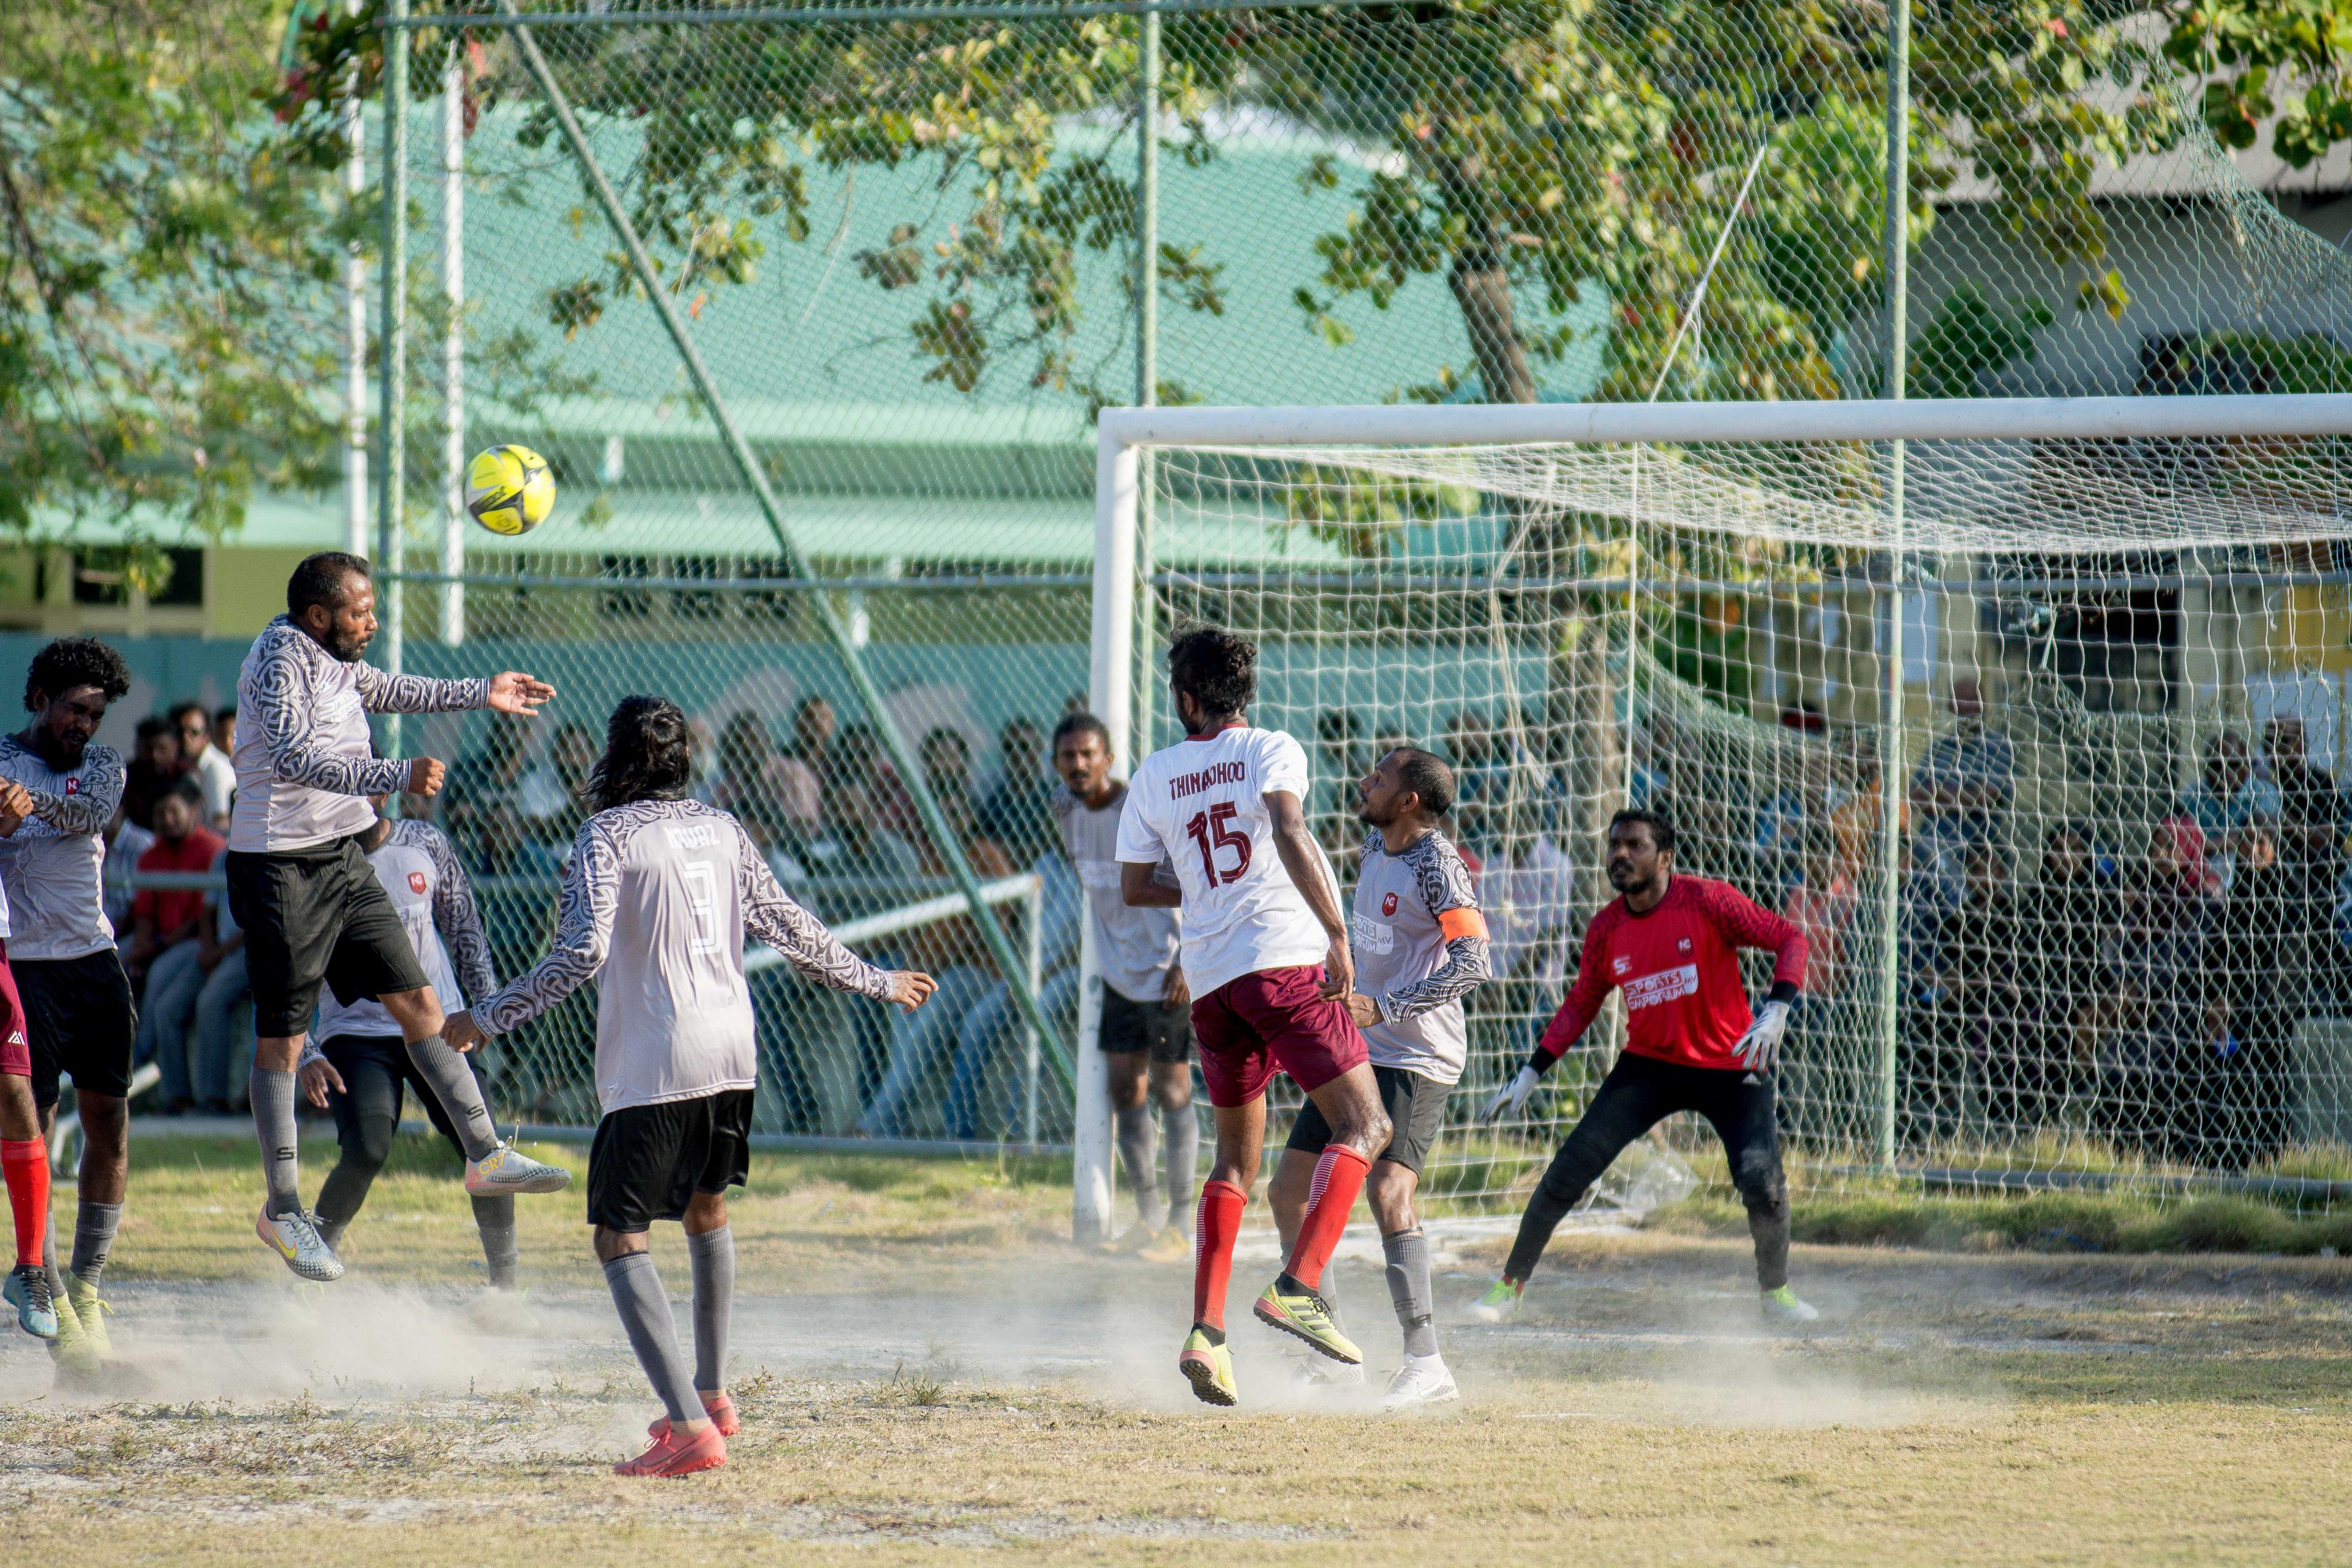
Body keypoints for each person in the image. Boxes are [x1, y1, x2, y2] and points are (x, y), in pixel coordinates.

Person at [443, 696, 937, 1477]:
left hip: (656, 1062)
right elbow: (788, 922)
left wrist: (487, 1016)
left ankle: (686, 1428)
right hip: (733, 1053)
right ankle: (711, 1393)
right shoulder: (723, 827)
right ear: (683, 761)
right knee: (707, 1209)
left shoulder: (604, 835)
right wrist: (875, 979)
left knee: (618, 1234)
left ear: (614, 759)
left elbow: (579, 955)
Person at [228, 550, 570, 1283]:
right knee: (284, 1042)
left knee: (419, 998)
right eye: (361, 610)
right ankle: (283, 1207)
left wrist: (484, 691)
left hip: (339, 856)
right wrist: (394, 774)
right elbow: (293, 756)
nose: (372, 619)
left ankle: (484, 1155)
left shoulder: (337, 658)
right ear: (319, 615)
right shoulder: (280, 659)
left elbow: (390, 688)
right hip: (278, 865)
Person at [1115, 622, 1391, 1408]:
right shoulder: (1271, 748)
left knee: (1233, 1162)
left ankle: (1207, 1333)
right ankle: (1300, 1286)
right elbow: (1288, 826)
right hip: (1283, 964)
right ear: (1244, 694)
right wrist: (1337, 933)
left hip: (1212, 986)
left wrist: (1206, 895)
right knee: (1365, 1126)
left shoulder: (1157, 771)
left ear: (1185, 698)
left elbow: (1135, 885)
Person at [1469, 809, 1815, 1325]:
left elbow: (1791, 938)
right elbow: (1582, 1003)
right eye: (1614, 845)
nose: (1621, 855)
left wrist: (1778, 1009)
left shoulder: (1707, 900)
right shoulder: (1607, 927)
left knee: (1760, 1180)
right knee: (1568, 1171)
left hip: (1732, 1064)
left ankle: (1777, 1294)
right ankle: (1508, 1289)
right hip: (1648, 1067)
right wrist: (1532, 1070)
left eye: (1635, 845)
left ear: (1666, 858)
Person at [1271, 745, 1489, 1409]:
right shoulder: (1372, 846)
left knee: (1390, 1191)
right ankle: (1330, 1352)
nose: (1365, 781)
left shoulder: (1438, 864)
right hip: (1359, 1046)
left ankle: (1427, 1363)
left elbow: (1474, 961)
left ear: (1409, 801)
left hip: (1417, 1056)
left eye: (1380, 777)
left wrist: (1387, 1005)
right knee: (1286, 1192)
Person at [295, 790, 519, 1299]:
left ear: (379, 793)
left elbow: (464, 929)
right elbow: (285, 968)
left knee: (485, 1151)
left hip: (435, 1024)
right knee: (367, 1148)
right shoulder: (315, 860)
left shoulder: (424, 843)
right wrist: (307, 1050)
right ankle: (311, 1270)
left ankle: (505, 1290)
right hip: (357, 1032)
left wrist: (482, 1012)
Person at [0, 636, 135, 1359]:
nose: (83, 724)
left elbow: (91, 817)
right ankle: (51, 1298)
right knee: (36, 1135)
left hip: (94, 963)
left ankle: (87, 1283)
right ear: (39, 699)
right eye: (72, 710)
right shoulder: (0, 762)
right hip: (24, 969)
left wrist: (31, 804)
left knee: (109, 1128)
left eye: (94, 713)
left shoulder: (102, 765)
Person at [1049, 712, 1193, 1261]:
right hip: (1117, 975)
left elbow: (1191, 879)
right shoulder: (1063, 810)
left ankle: (1181, 1223)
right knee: (1125, 1089)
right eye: (1069, 756)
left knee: (1172, 1088)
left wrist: (1188, 957)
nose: (1080, 765)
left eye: (1089, 754)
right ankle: (1149, 1218)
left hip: (1166, 972)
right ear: (1057, 763)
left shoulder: (1143, 808)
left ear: (1109, 758)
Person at [129, 779, 223, 1112]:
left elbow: (203, 919)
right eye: (160, 813)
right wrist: (140, 949)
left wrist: (151, 950)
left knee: (160, 987)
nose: (166, 819)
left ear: (193, 811)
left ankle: (140, 1066)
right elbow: (143, 913)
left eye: (173, 811)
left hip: (194, 945)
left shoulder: (212, 848)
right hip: (160, 943)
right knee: (112, 965)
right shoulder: (151, 854)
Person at [170, 698, 236, 829]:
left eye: (194, 732)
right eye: (180, 731)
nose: (185, 738)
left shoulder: (216, 768)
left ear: (207, 736)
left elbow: (220, 824)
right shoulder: (189, 771)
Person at [120, 715, 187, 832]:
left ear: (175, 747)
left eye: (162, 749)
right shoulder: (123, 777)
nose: (155, 756)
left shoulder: (186, 776)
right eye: (148, 749)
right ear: (137, 747)